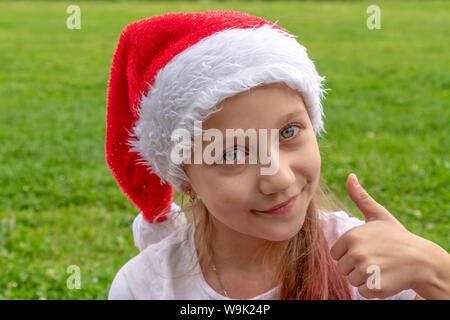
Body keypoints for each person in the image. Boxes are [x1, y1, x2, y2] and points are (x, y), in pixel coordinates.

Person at [105, 11, 449, 300]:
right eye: (232, 154)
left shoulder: (367, 265)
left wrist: (434, 271)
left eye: (288, 132)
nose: (280, 177)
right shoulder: (145, 286)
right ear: (185, 178)